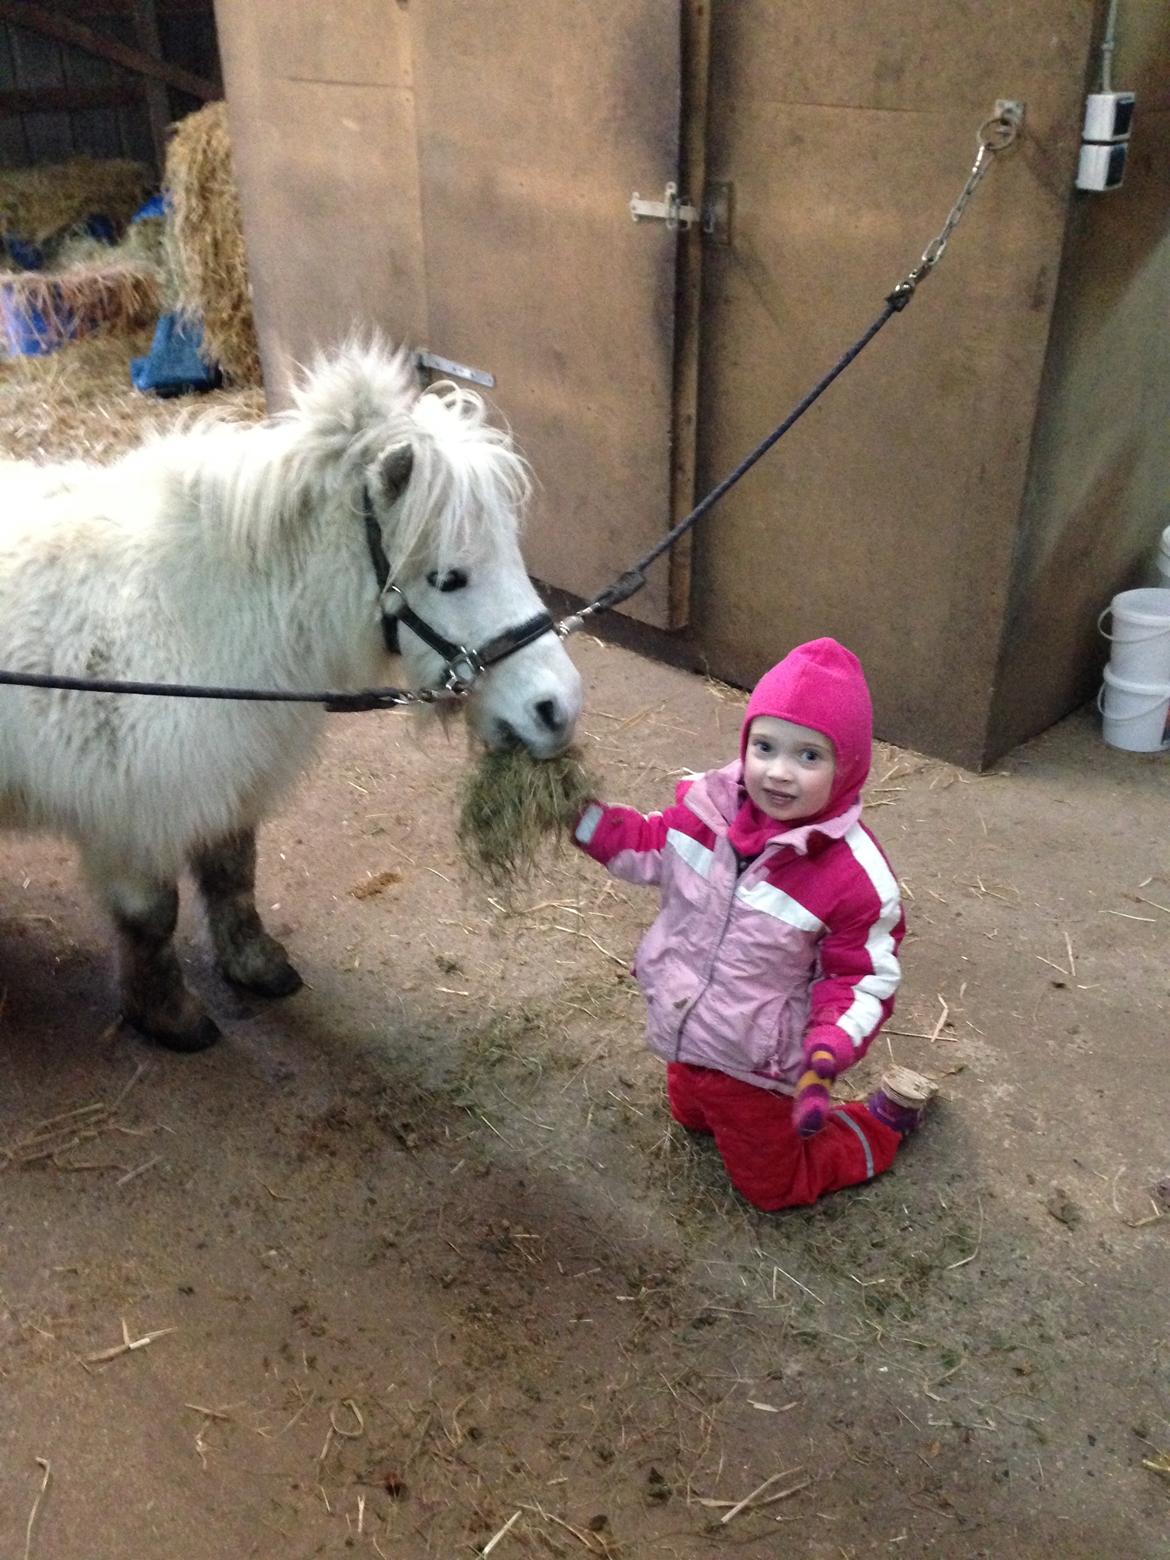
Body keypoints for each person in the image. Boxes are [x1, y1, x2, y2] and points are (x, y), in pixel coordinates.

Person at [573, 637, 935, 1211]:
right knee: (690, 1111)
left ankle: (880, 1124)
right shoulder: (707, 813)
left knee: (772, 1187)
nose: (779, 773)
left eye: (809, 756)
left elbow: (860, 978)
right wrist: (577, 815)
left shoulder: (853, 877)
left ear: (850, 767)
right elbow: (645, 843)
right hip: (686, 1025)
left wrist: (826, 1051)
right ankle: (707, 1101)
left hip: (758, 1062)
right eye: (764, 746)